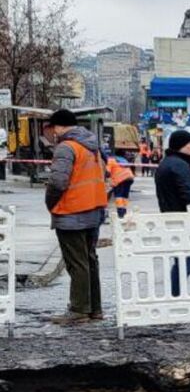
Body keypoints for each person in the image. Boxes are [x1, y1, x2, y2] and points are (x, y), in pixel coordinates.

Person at [40, 109, 109, 325]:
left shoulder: (66, 147)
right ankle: (94, 309)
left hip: (71, 212)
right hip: (93, 210)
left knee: (77, 263)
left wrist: (51, 203)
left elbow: (58, 182)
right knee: (90, 260)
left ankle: (79, 310)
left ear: (59, 127)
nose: (52, 132)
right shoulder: (92, 145)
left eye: (53, 128)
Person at [155, 129, 190, 297]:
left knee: (180, 259)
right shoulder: (179, 165)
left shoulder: (167, 163)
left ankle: (175, 293)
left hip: (172, 217)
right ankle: (176, 294)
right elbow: (189, 193)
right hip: (183, 220)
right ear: (181, 145)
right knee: (184, 260)